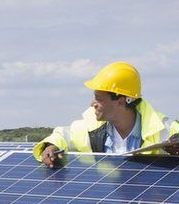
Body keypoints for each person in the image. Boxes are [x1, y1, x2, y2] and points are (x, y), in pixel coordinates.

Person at [35, 61, 179, 168]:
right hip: (110, 203)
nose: (93, 103)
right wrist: (50, 146)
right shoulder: (89, 127)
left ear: (121, 101)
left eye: (99, 99)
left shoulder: (164, 129)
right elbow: (62, 136)